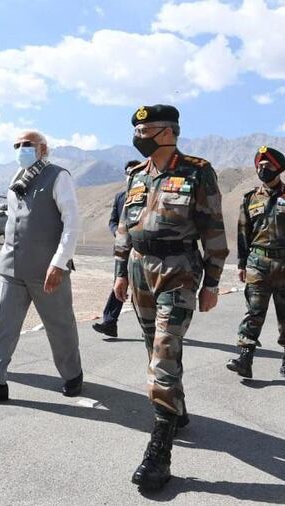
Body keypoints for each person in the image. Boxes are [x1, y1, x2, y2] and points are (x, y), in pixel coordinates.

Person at [113, 105, 228, 490]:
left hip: (178, 269)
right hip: (139, 268)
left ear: (167, 132)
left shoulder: (197, 171)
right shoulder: (136, 174)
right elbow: (125, 226)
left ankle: (159, 453)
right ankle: (175, 411)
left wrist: (211, 282)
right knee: (154, 348)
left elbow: (213, 227)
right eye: (137, 129)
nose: (138, 135)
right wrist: (119, 272)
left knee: (164, 351)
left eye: (145, 129)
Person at [0, 130, 83, 404]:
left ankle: (72, 375)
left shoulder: (58, 176)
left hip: (47, 269)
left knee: (60, 326)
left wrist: (60, 263)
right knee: (2, 327)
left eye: (27, 144)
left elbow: (72, 222)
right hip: (11, 268)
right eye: (17, 145)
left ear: (43, 148)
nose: (21, 149)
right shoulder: (17, 178)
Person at [227, 146, 285, 379]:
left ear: (278, 168)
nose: (262, 170)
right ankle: (245, 358)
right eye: (259, 166)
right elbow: (242, 234)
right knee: (254, 311)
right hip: (258, 263)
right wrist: (241, 264)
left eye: (267, 166)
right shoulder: (250, 199)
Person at [92, 160, 141, 338]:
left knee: (142, 289)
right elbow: (113, 220)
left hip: (141, 250)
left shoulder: (149, 193)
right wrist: (118, 233)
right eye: (128, 172)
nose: (130, 175)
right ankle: (110, 323)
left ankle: (150, 325)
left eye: (134, 172)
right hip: (122, 251)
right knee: (118, 285)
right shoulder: (120, 197)